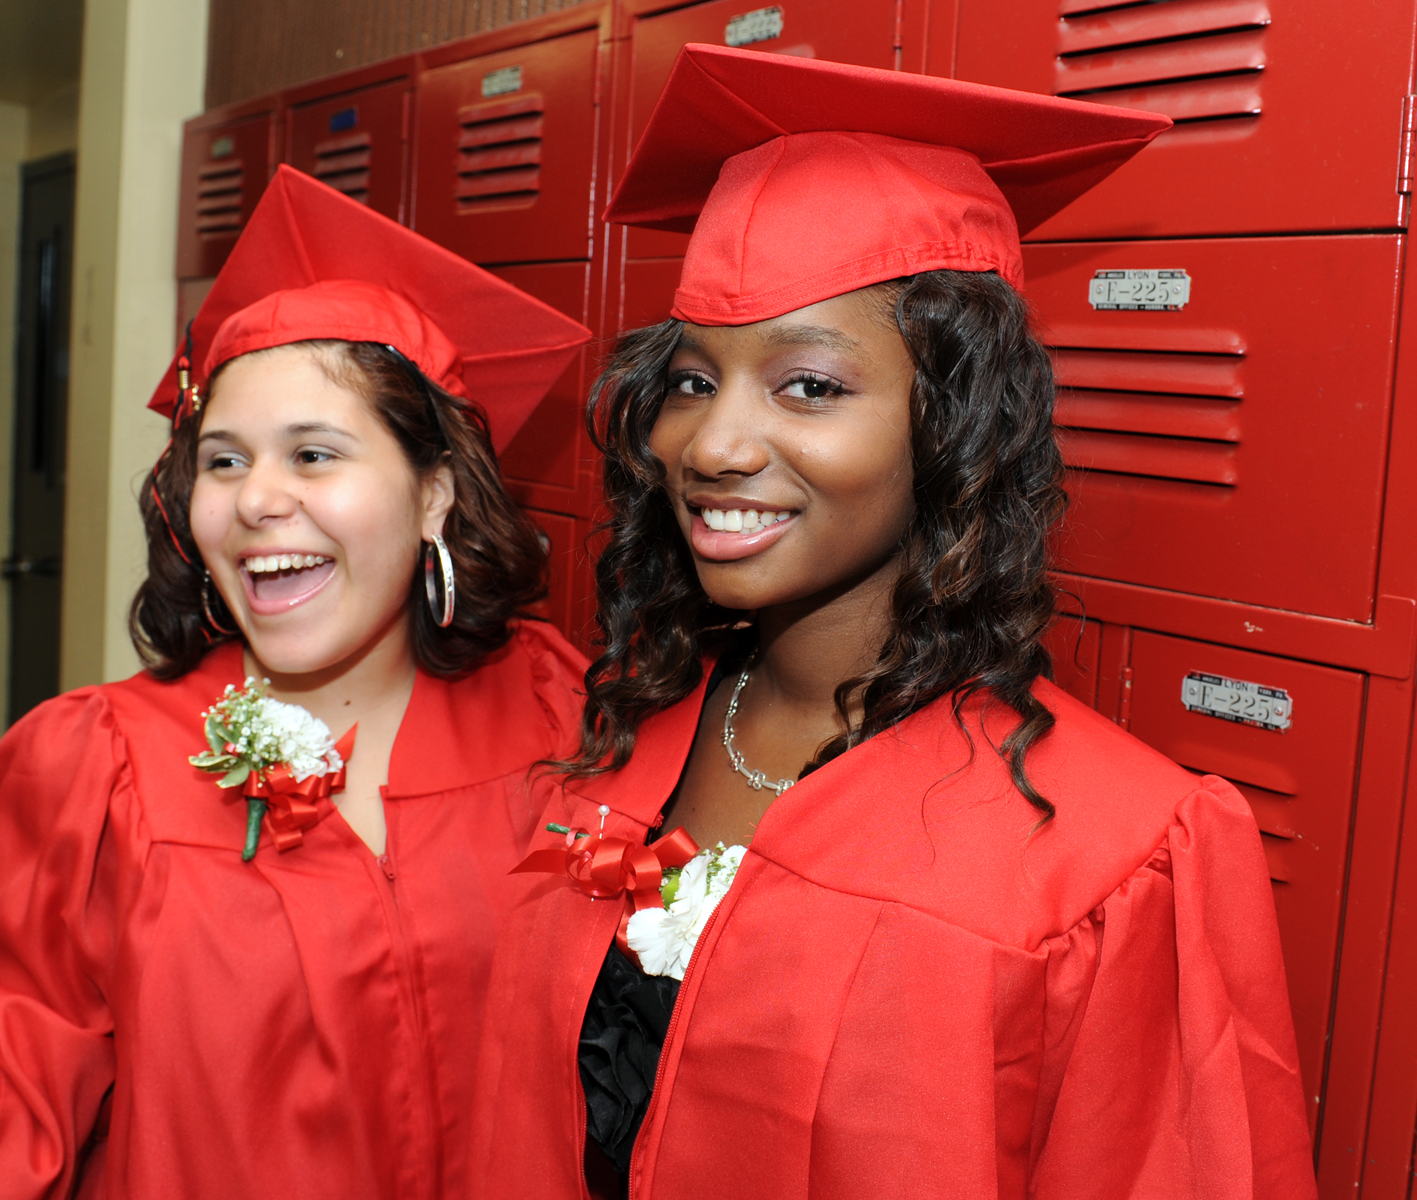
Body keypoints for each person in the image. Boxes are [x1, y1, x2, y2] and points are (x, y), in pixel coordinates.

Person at [469, 48, 1319, 1200]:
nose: (712, 446)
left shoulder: (1116, 856)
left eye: (808, 386)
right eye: (690, 380)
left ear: (954, 427)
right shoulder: (618, 736)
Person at [0, 165, 592, 1199]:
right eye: (220, 462)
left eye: (313, 453)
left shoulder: (558, 713)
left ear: (435, 494)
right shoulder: (91, 769)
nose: (257, 498)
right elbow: (23, 1129)